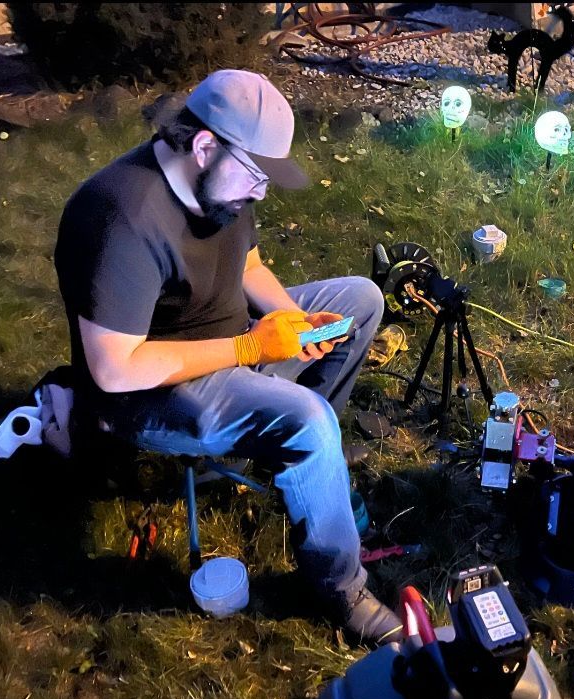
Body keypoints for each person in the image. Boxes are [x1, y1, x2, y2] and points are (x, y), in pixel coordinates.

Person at [53, 69, 402, 643]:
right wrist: (250, 346)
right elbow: (114, 369)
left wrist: (291, 318)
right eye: (256, 176)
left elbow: (247, 267)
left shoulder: (224, 184)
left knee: (360, 302)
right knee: (311, 423)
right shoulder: (119, 219)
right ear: (204, 145)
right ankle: (341, 588)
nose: (261, 193)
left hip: (236, 340)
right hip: (154, 390)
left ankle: (296, 462)